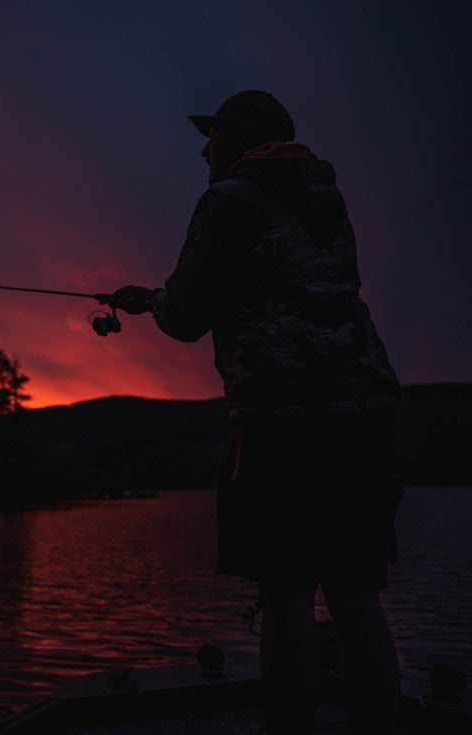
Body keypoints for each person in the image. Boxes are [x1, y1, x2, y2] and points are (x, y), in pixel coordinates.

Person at [104, 90, 404, 734]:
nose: (203, 148)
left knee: (288, 591)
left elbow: (185, 316)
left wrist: (154, 304)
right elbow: (275, 280)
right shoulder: (327, 199)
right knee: (355, 594)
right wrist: (153, 297)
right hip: (369, 414)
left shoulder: (228, 200)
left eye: (212, 135)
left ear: (240, 137)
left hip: (282, 421)